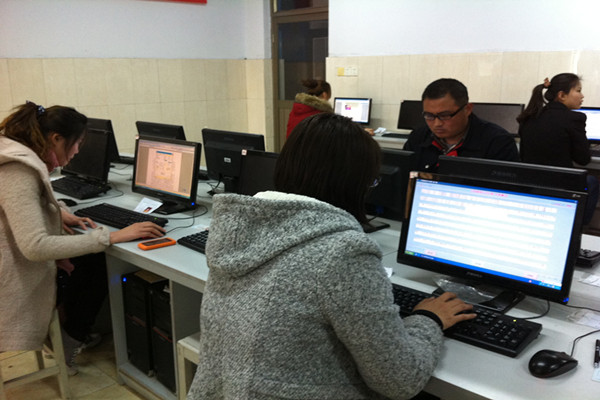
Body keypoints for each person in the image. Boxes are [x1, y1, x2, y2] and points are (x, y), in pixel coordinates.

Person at [187, 113, 475, 400]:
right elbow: (400, 380)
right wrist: (428, 318)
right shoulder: (343, 252)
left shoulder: (238, 230)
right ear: (354, 183)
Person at [0, 102, 165, 358]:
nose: (77, 151)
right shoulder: (19, 169)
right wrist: (111, 236)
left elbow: (27, 202)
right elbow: (36, 247)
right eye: (77, 143)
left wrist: (56, 213)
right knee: (96, 262)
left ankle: (68, 332)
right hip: (11, 284)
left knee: (88, 260)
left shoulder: (16, 156)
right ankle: (68, 340)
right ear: (56, 139)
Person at [518, 73, 599, 224]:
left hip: (531, 183)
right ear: (562, 95)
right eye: (578, 90)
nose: (582, 96)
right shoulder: (574, 118)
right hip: (560, 184)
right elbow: (583, 159)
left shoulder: (529, 116)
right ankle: (578, 226)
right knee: (592, 182)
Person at [403, 78, 520, 171]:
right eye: (429, 116)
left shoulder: (497, 142)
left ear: (467, 109)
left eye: (445, 115)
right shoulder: (418, 137)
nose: (437, 123)